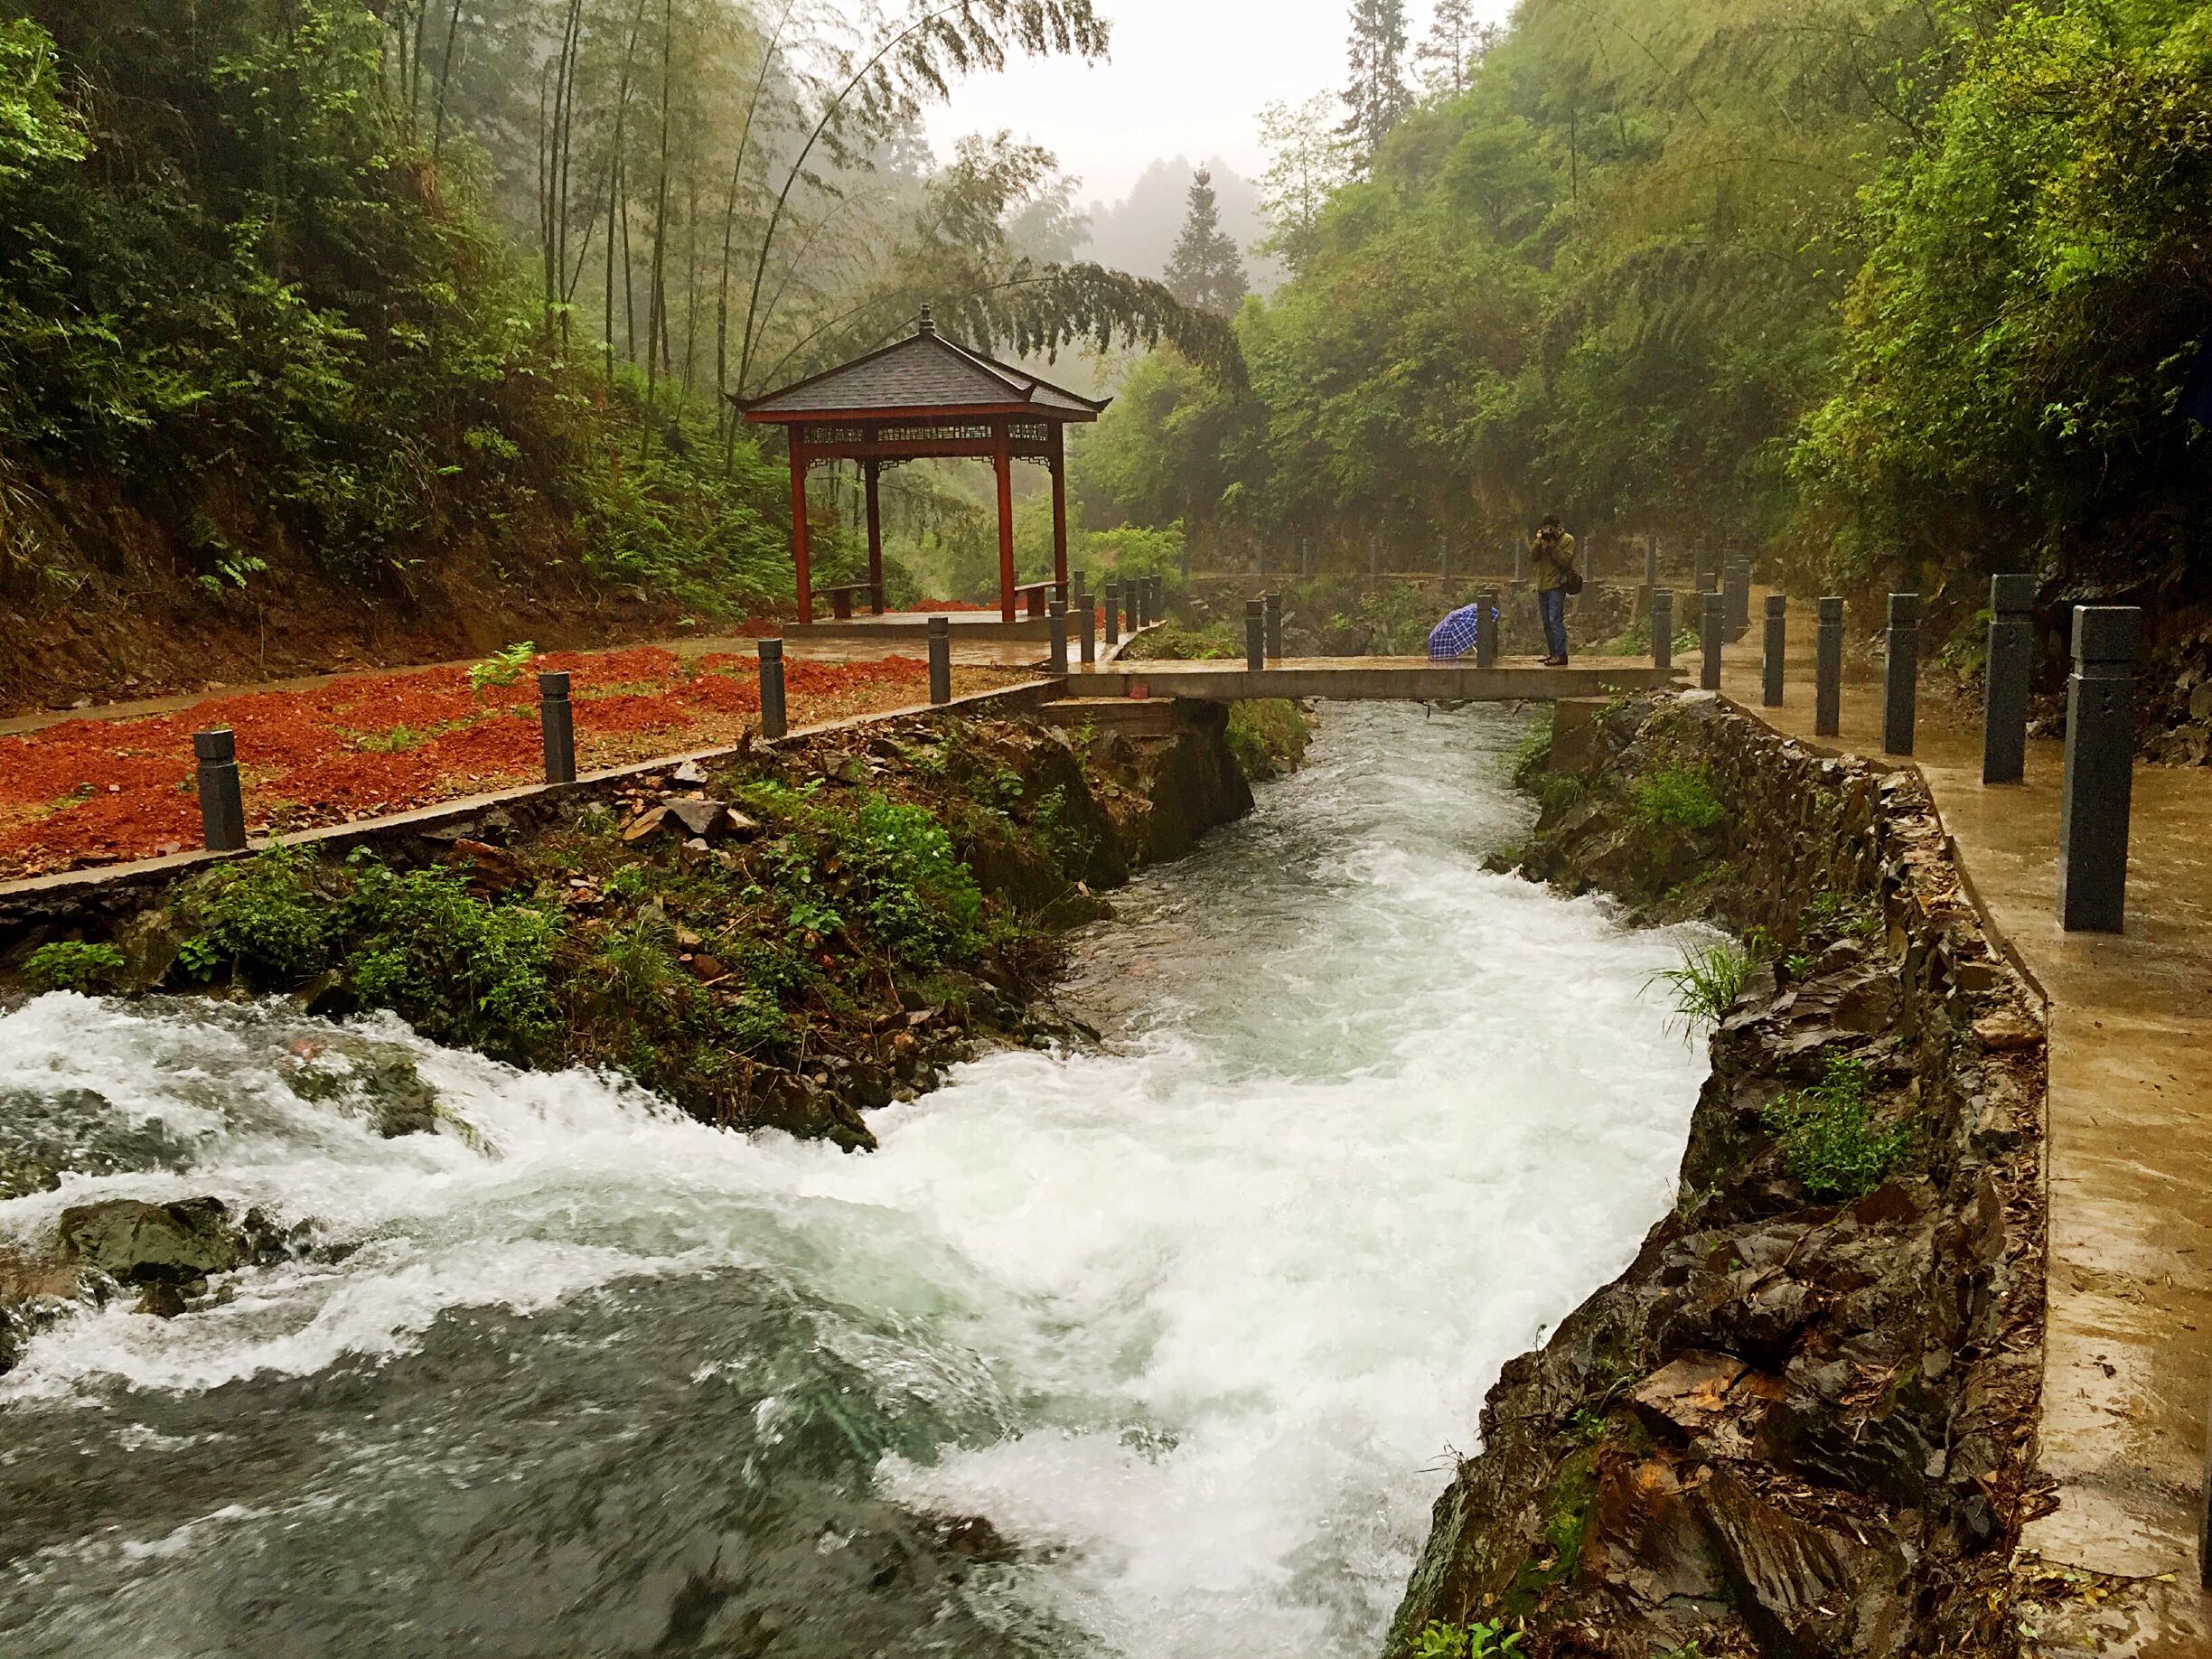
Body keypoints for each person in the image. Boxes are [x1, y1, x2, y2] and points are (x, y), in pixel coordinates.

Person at [1531, 514, 1579, 664]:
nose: (1548, 531)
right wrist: (1539, 542)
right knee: (1546, 622)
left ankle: (1561, 655)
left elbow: (1565, 562)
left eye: (1550, 529)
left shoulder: (1567, 540)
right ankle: (1553, 653)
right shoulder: (1542, 540)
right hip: (1542, 585)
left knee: (1555, 620)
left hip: (1557, 586)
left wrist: (1553, 546)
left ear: (1558, 528)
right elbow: (1533, 557)